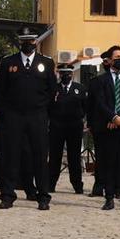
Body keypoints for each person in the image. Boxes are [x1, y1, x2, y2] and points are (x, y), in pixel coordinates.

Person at [0, 26, 56, 211]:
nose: (27, 44)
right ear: (20, 42)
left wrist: (43, 110)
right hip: (14, 117)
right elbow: (0, 91)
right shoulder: (8, 62)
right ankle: (7, 195)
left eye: (31, 41)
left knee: (39, 157)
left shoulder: (46, 63)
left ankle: (43, 196)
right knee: (11, 156)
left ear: (36, 42)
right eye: (24, 41)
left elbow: (52, 90)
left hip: (37, 116)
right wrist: (5, 114)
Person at [89, 45, 120, 212]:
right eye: (117, 57)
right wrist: (113, 117)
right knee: (108, 163)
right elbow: (100, 103)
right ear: (109, 60)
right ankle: (109, 197)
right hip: (108, 127)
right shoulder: (100, 81)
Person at [48, 63, 87, 194]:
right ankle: (50, 184)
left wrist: (86, 122)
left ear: (72, 74)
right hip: (56, 127)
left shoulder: (80, 88)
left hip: (74, 127)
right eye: (63, 73)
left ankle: (77, 185)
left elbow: (86, 107)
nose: (66, 75)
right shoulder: (53, 89)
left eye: (68, 73)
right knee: (54, 157)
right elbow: (48, 107)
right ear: (59, 74)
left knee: (74, 157)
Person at [86, 51, 113, 198]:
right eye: (105, 61)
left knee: (117, 157)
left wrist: (115, 119)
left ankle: (117, 187)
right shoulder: (96, 81)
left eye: (109, 60)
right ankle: (99, 186)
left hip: (117, 123)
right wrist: (90, 123)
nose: (106, 64)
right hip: (100, 125)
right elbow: (91, 104)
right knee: (101, 157)